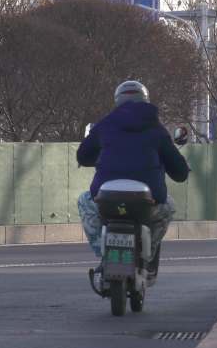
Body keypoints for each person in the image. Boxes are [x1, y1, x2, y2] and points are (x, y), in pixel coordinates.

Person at [77, 80, 189, 285]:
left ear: (117, 100)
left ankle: (102, 251)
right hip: (146, 201)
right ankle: (148, 255)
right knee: (169, 207)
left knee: (84, 201)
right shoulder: (157, 129)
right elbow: (180, 173)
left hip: (106, 200)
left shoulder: (105, 125)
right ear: (145, 100)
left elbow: (83, 156)